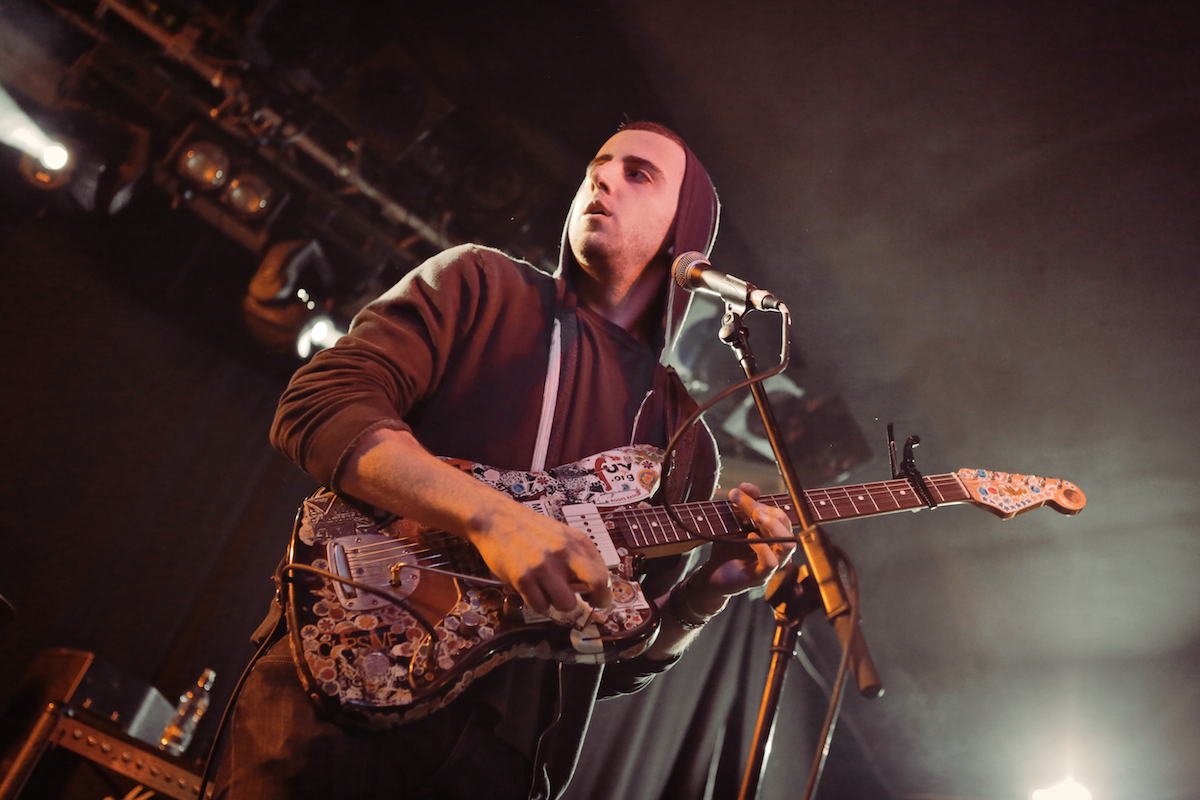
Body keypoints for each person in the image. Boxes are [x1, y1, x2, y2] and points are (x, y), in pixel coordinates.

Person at [213, 121, 795, 800]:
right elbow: (320, 404)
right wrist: (493, 520)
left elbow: (613, 655)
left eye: (638, 174)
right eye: (597, 165)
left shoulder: (686, 439)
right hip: (339, 674)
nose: (601, 178)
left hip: (506, 757)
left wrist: (704, 597)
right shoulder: (481, 283)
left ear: (684, 234)